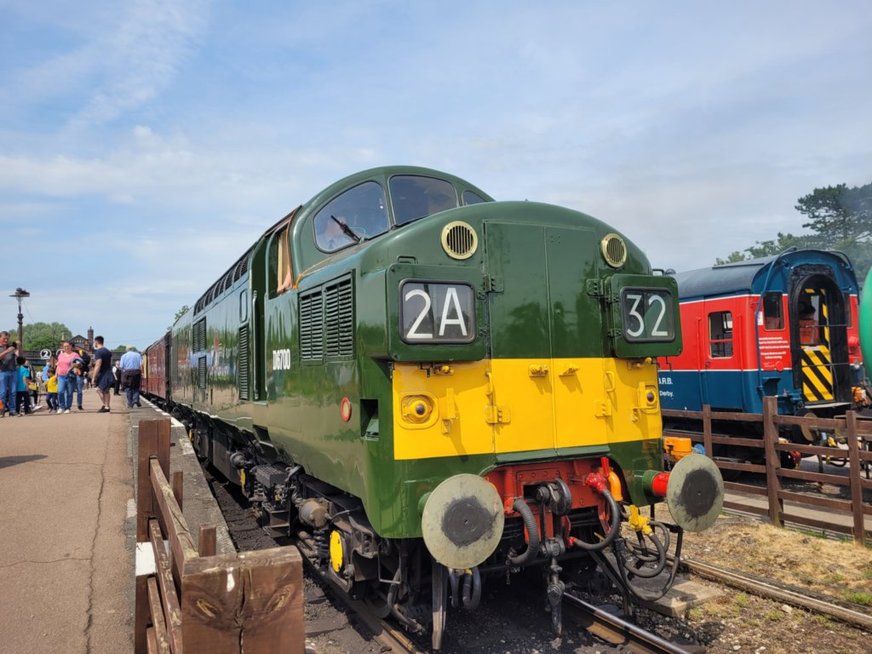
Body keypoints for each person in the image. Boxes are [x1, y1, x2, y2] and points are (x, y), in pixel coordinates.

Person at [90, 336, 114, 413]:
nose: (94, 344)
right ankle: (106, 405)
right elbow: (109, 363)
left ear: (96, 342)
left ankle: (106, 406)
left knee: (99, 389)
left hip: (103, 373)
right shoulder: (108, 351)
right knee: (105, 390)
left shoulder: (99, 352)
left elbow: (98, 365)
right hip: (108, 372)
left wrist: (93, 377)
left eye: (94, 342)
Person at [56, 341, 78, 414]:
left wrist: (75, 366)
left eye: (67, 346)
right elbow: (58, 365)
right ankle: (61, 406)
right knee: (60, 391)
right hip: (61, 376)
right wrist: (56, 375)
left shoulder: (75, 355)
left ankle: (68, 407)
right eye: (64, 346)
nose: (66, 347)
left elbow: (79, 363)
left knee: (69, 393)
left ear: (71, 346)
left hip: (70, 376)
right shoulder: (60, 355)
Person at [0, 331, 18, 417]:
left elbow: (20, 357)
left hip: (13, 371)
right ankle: (1, 410)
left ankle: (12, 410)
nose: (6, 340)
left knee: (13, 392)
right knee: (2, 393)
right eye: (4, 338)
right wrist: (7, 351)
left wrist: (19, 347)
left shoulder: (11, 348)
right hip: (2, 372)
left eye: (7, 339)